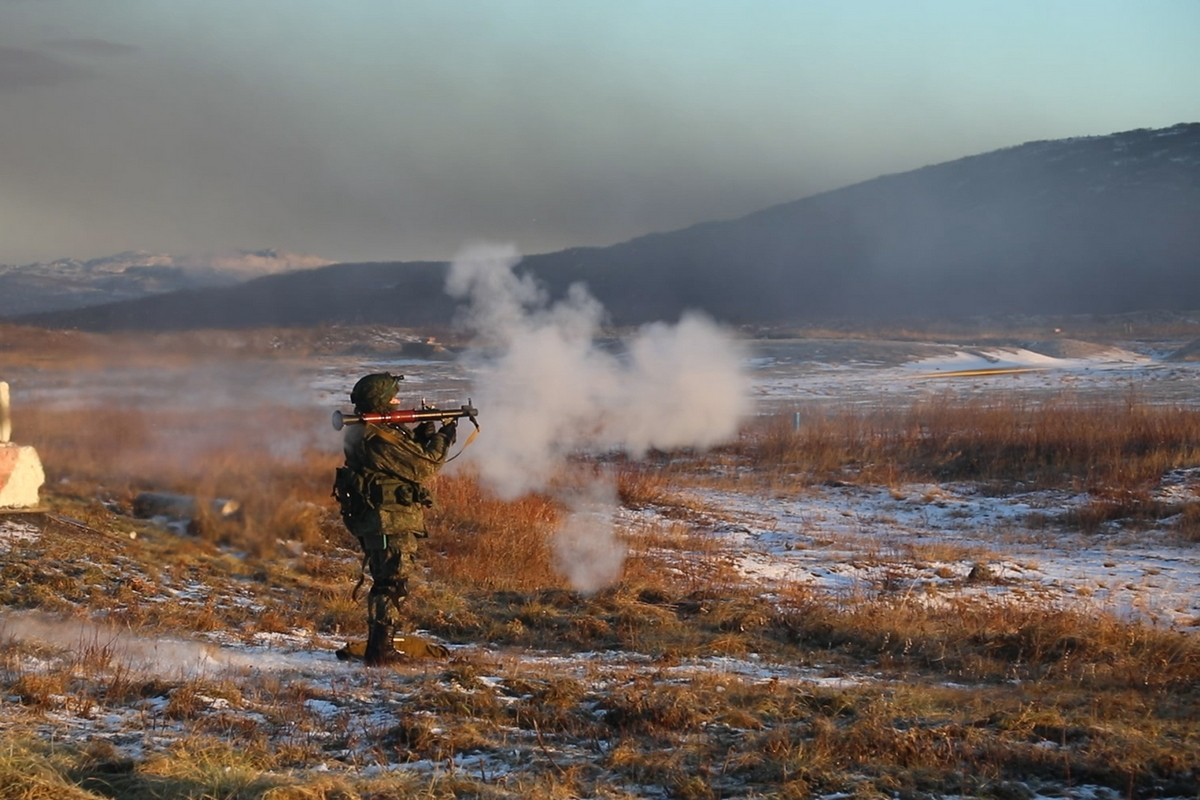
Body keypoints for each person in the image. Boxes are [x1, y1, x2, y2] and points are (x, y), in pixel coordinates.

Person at [333, 372, 456, 666]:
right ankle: (381, 651)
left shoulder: (369, 431)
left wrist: (420, 436)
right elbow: (423, 467)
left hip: (384, 518)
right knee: (391, 582)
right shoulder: (375, 436)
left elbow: (398, 461)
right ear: (379, 402)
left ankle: (380, 647)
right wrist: (444, 437)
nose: (398, 401)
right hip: (387, 518)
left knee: (388, 580)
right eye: (392, 398)